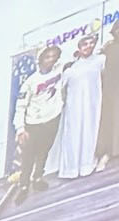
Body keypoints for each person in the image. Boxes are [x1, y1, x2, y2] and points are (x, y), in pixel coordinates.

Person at [12, 45, 67, 203]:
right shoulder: (30, 82)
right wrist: (21, 129)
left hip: (52, 119)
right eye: (48, 56)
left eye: (54, 56)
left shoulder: (59, 69)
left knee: (44, 151)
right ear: (41, 59)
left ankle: (38, 178)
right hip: (33, 123)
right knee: (28, 156)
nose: (51, 59)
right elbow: (20, 106)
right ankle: (23, 186)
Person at [47, 32, 104, 182]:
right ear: (78, 48)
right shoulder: (69, 69)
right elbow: (59, 89)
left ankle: (86, 166)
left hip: (92, 105)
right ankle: (71, 170)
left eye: (90, 43)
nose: (88, 46)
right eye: (84, 44)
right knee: (73, 136)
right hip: (73, 109)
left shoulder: (99, 60)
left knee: (89, 133)